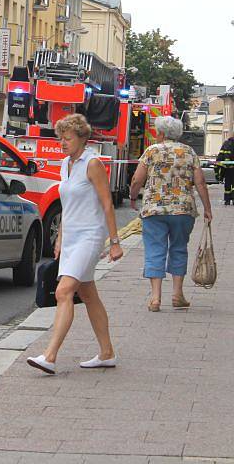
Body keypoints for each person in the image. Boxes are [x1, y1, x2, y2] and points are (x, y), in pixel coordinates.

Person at [27, 114, 123, 375]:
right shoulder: (65, 164)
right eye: (60, 138)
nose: (62, 143)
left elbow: (107, 203)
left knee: (64, 292)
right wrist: (60, 238)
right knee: (89, 295)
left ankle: (50, 356)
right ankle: (107, 353)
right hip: (71, 239)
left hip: (90, 237)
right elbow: (67, 206)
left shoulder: (92, 164)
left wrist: (114, 242)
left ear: (82, 138)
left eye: (67, 138)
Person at [129, 116, 213, 312]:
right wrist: (207, 208)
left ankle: (155, 298)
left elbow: (137, 179)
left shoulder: (151, 151)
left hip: (154, 210)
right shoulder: (189, 152)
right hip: (183, 210)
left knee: (154, 250)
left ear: (162, 133)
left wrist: (133, 197)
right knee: (179, 248)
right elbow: (200, 182)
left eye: (158, 131)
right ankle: (177, 295)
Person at [215, 132, 234, 206]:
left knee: (228, 185)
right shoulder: (227, 143)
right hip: (229, 168)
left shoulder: (226, 143)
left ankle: (227, 200)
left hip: (227, 168)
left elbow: (221, 156)